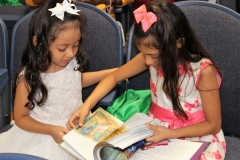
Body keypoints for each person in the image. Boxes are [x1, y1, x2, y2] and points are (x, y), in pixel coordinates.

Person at [67, 0, 226, 159]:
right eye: (144, 55)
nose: (148, 62)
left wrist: (172, 133)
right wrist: (87, 105)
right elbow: (114, 77)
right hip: (156, 129)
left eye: (153, 56)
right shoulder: (150, 56)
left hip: (194, 134)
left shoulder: (203, 72)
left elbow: (213, 124)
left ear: (177, 43)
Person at [0, 0, 116, 159]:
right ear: (38, 43)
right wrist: (50, 129)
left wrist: (111, 73)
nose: (70, 53)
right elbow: (21, 118)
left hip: (80, 130)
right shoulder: (29, 78)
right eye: (62, 48)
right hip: (45, 135)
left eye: (75, 45)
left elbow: (76, 81)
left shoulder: (69, 62)